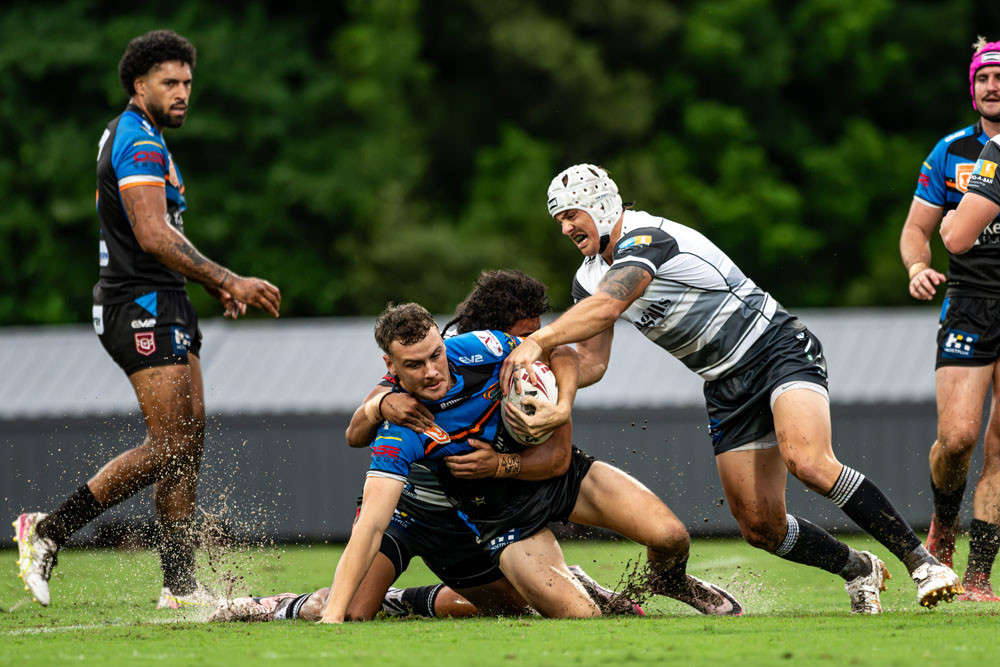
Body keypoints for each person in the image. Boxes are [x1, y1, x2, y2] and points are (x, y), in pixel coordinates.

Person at [502, 163, 963, 613]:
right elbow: (592, 361)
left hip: (775, 348)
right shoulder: (586, 276)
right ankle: (857, 567)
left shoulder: (646, 238)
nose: (564, 228)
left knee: (809, 462)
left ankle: (922, 563)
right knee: (760, 526)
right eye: (559, 220)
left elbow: (607, 307)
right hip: (725, 383)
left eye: (570, 215)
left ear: (602, 207)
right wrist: (551, 393)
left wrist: (538, 341)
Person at [13, 29, 281, 609]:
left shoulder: (146, 133)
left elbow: (167, 233)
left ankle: (178, 585)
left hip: (167, 302)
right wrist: (228, 278)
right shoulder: (137, 139)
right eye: (170, 82)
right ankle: (49, 530)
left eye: (187, 82)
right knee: (169, 445)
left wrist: (207, 283)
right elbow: (153, 234)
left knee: (189, 442)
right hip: (138, 304)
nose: (183, 92)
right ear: (140, 85)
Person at [211, 271, 643, 622]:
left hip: (453, 518)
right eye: (415, 365)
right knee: (350, 610)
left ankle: (403, 599)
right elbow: (361, 472)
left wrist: (560, 404)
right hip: (407, 511)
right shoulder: (401, 416)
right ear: (392, 366)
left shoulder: (481, 350)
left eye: (435, 355)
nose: (433, 371)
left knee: (511, 607)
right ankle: (281, 606)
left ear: (443, 340)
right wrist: (380, 404)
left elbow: (555, 349)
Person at [899, 37, 1000, 602]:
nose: (993, 85)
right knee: (957, 438)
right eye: (985, 77)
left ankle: (980, 578)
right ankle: (942, 528)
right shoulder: (951, 151)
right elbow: (919, 230)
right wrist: (917, 266)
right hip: (968, 298)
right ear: (973, 87)